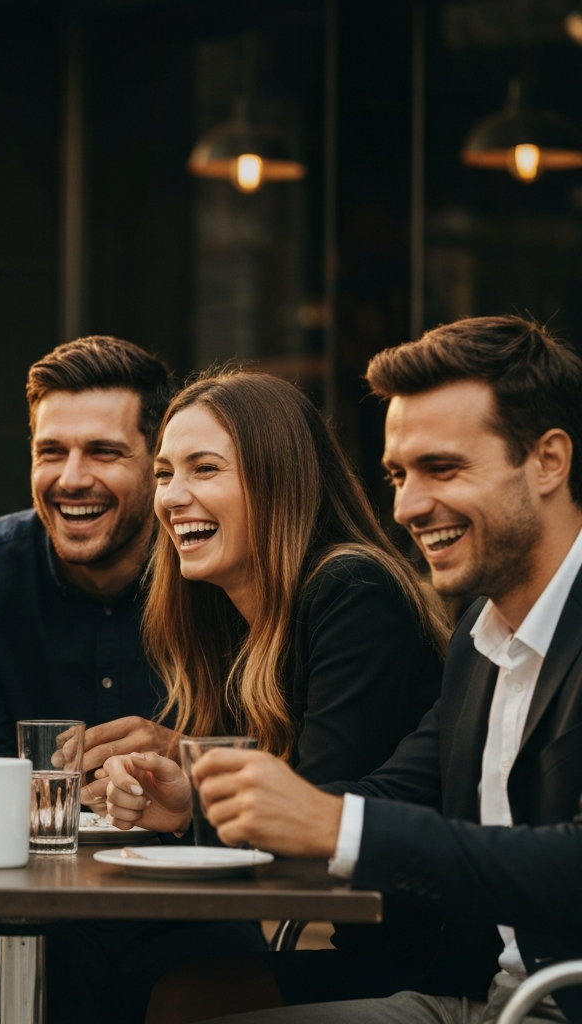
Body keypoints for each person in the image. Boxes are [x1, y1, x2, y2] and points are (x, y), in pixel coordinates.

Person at [183, 316, 582, 1024]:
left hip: (546, 1001)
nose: (406, 507)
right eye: (398, 474)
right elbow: (394, 793)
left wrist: (337, 827)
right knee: (188, 1001)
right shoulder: (481, 638)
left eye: (443, 468)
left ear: (549, 460)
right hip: (477, 993)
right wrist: (200, 806)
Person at [97, 370, 448, 1023]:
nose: (174, 496)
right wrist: (181, 803)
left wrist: (196, 802)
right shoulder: (233, 618)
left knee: (174, 991)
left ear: (279, 479)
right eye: (166, 473)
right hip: (383, 947)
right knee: (121, 970)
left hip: (440, 961)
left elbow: (316, 805)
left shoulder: (353, 590)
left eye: (205, 469)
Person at [0, 335, 190, 1021]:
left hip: (187, 911)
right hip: (9, 913)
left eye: (104, 452)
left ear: (156, 465)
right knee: (46, 981)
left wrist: (185, 761)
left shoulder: (207, 572)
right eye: (51, 452)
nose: (71, 478)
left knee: (199, 996)